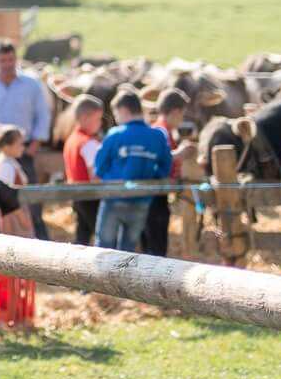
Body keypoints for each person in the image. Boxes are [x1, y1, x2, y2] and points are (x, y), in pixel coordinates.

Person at [0, 42, 52, 234]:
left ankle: (40, 244)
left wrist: (35, 143)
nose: (7, 64)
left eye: (10, 59)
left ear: (16, 58)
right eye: (2, 60)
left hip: (23, 149)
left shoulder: (31, 84)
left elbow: (43, 114)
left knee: (30, 201)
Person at [92, 87, 173, 251]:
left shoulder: (115, 134)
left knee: (103, 249)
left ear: (123, 110)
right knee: (127, 250)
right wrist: (151, 176)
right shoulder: (157, 136)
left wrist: (112, 177)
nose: (116, 119)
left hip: (113, 199)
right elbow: (166, 167)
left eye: (116, 114)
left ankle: (102, 277)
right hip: (142, 201)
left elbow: (99, 167)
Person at [0, 123, 37, 323]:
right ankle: (13, 314)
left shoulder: (6, 162)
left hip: (15, 215)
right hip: (13, 217)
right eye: (19, 143)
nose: (22, 147)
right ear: (7, 145)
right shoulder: (6, 166)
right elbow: (7, 195)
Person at [142, 89, 188, 258]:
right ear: (175, 112)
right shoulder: (161, 132)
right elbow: (157, 160)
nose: (182, 119)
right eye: (182, 115)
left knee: (152, 247)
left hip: (151, 194)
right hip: (155, 194)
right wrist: (181, 154)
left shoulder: (159, 130)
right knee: (156, 248)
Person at [63, 93, 105, 246]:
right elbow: (95, 176)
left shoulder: (71, 139)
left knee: (82, 237)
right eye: (98, 119)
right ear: (86, 117)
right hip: (91, 196)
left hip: (77, 195)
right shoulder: (89, 143)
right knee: (103, 238)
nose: (100, 124)